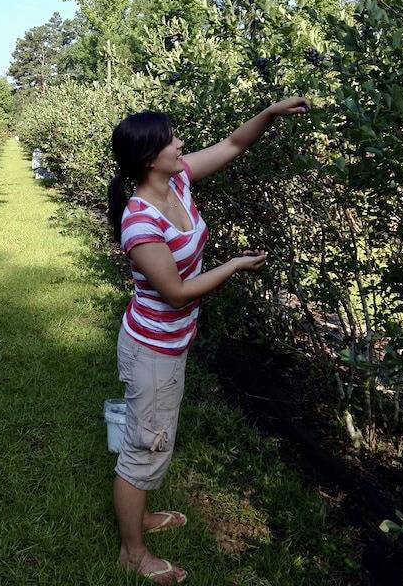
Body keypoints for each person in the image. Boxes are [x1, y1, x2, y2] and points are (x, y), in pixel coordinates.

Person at [107, 96, 311, 584]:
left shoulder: (175, 180)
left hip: (167, 343)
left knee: (152, 435)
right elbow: (176, 293)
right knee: (143, 449)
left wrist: (269, 113)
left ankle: (144, 517)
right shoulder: (140, 221)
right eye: (171, 140)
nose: (181, 144)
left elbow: (234, 144)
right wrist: (235, 264)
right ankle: (132, 553)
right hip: (153, 348)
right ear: (148, 160)